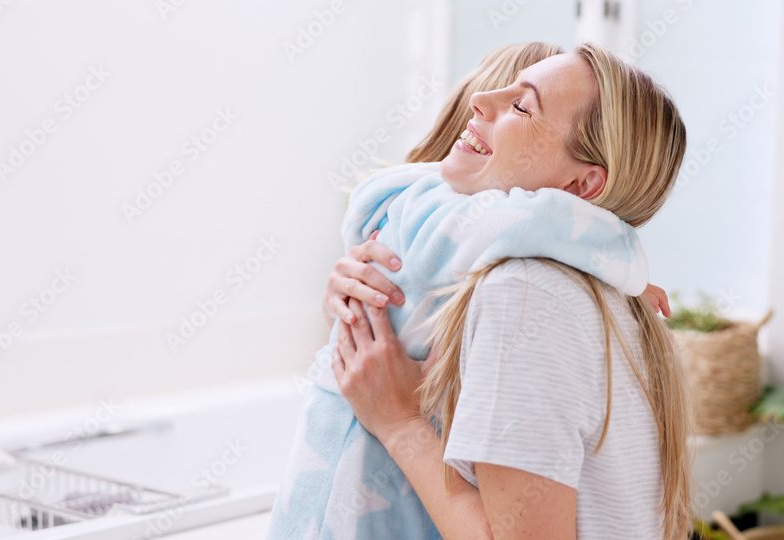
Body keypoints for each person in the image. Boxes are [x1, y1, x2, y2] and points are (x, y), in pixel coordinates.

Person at [266, 42, 672, 540]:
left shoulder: (527, 293)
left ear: (582, 187)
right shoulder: (559, 282)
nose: (482, 99)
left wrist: (399, 423)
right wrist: (620, 263)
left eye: (523, 105)